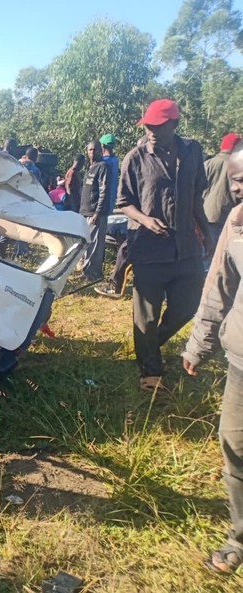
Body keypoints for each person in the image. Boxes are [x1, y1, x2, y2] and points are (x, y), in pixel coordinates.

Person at [117, 99, 214, 389]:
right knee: (146, 315)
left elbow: (196, 196)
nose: (151, 130)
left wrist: (207, 234)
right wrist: (145, 220)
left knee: (188, 305)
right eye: (147, 125)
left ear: (175, 124)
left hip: (186, 247)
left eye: (158, 125)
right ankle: (150, 370)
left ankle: (150, 346)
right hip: (149, 248)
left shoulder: (193, 151)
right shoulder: (134, 158)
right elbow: (124, 203)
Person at [182, 139, 243, 574]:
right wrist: (198, 343)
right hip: (241, 358)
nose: (238, 187)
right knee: (234, 445)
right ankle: (240, 536)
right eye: (235, 179)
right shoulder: (237, 223)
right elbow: (218, 286)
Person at [204, 133, 242, 251]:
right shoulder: (238, 165)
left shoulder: (208, 163)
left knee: (208, 252)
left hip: (208, 215)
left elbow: (196, 188)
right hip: (231, 215)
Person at [79, 140, 110, 282]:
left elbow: (104, 192)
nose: (92, 152)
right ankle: (86, 271)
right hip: (85, 211)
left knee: (95, 246)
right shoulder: (89, 167)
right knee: (86, 244)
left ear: (101, 150)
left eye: (95, 150)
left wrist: (97, 212)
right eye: (90, 150)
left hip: (96, 213)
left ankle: (94, 275)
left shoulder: (102, 167)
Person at [100, 133, 120, 215]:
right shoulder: (115, 160)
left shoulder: (103, 162)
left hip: (101, 200)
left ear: (102, 146)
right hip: (111, 199)